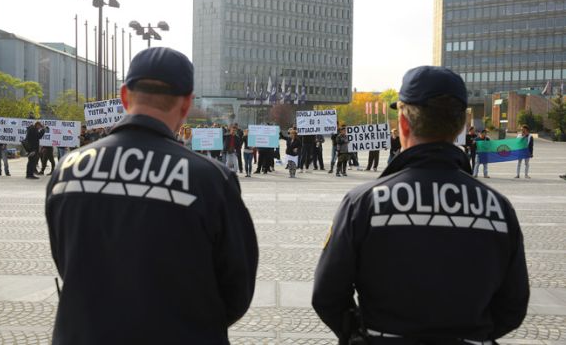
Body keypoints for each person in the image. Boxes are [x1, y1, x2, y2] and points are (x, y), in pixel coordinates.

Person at [45, 47, 258, 344]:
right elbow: (237, 288)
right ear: (186, 105)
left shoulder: (68, 170)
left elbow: (66, 260)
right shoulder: (209, 179)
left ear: (124, 96)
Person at [312, 66, 529, 345]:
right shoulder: (499, 208)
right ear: (462, 125)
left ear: (403, 123)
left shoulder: (363, 203)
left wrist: (364, 333)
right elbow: (513, 306)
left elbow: (327, 294)